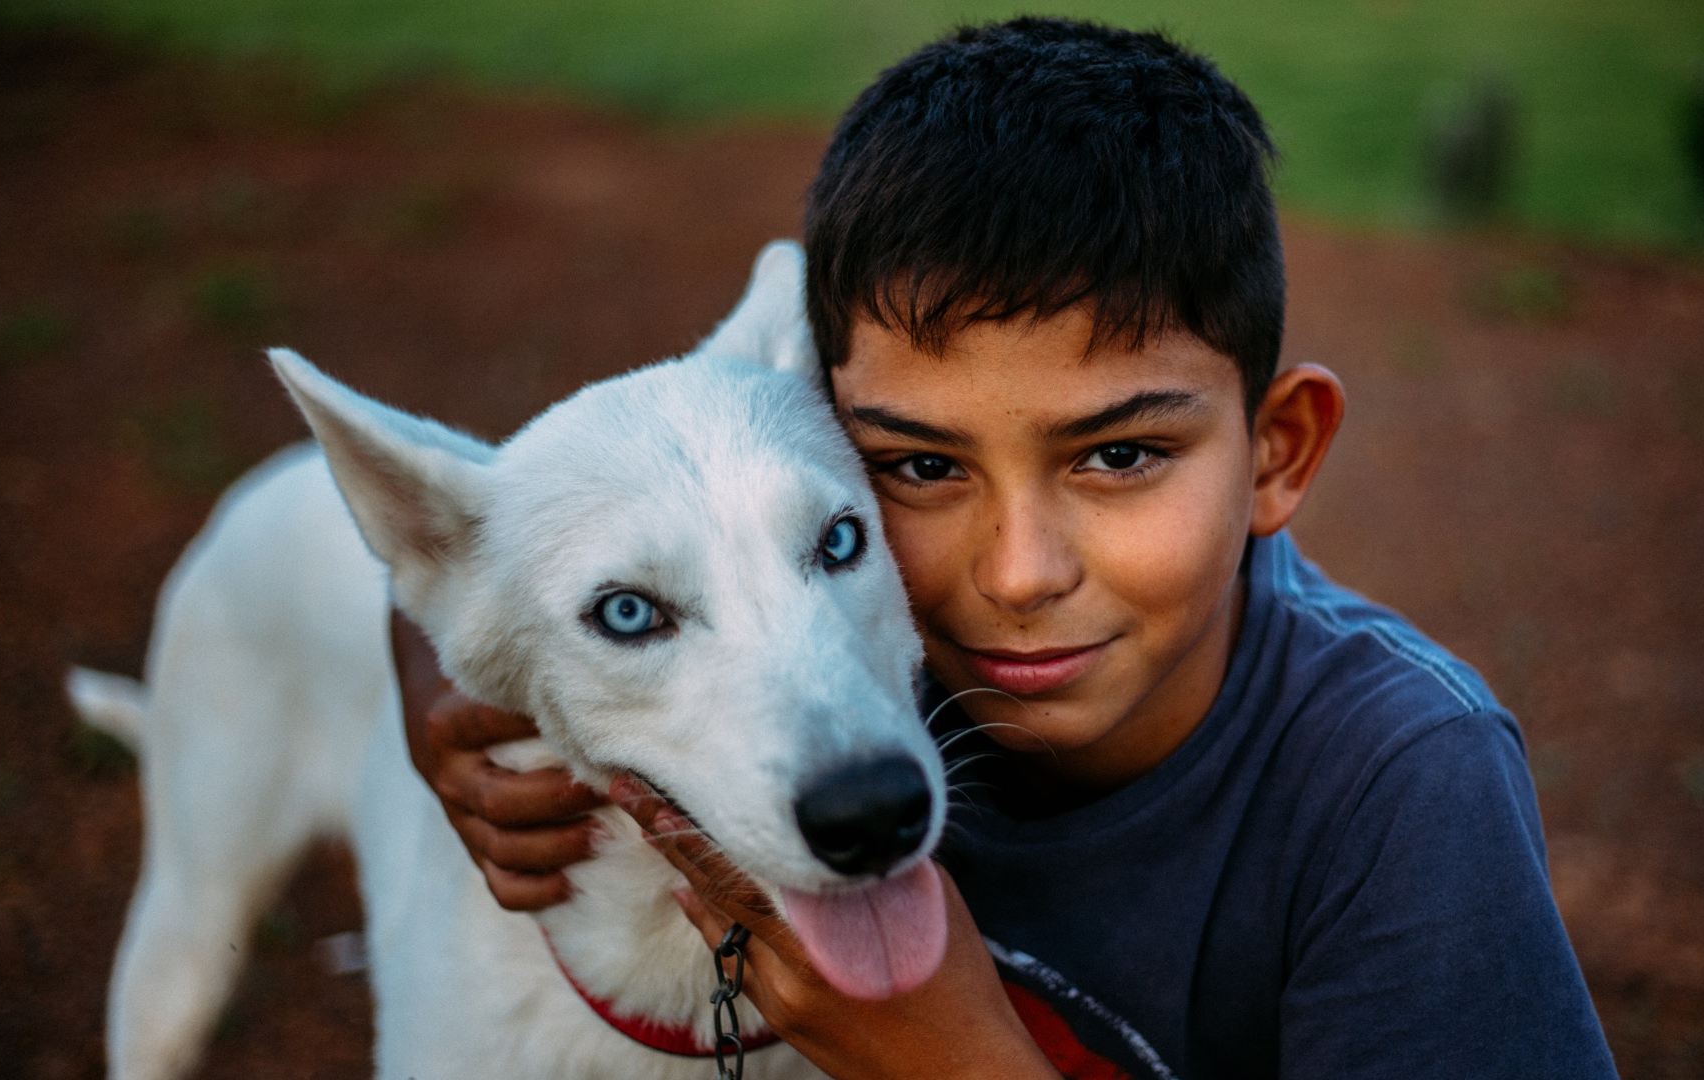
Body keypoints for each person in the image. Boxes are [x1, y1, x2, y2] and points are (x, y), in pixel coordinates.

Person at [393, 18, 1618, 1080]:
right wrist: (446, 698)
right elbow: (606, 523)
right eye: (922, 468)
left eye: (1121, 456)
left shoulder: (1399, 787)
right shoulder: (840, 696)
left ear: (1277, 453)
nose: (1020, 574)